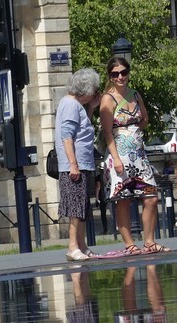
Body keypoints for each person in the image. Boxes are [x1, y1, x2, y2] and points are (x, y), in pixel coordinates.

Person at [100, 56, 168, 255]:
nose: (120, 77)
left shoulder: (135, 94)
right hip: (120, 155)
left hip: (139, 155)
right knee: (123, 199)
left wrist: (137, 126)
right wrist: (116, 159)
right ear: (110, 76)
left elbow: (145, 118)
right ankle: (130, 244)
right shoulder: (107, 98)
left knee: (150, 196)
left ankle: (149, 241)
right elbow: (107, 132)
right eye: (115, 74)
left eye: (123, 72)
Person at [54, 68, 102, 262]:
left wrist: (91, 108)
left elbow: (81, 130)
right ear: (85, 89)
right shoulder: (71, 105)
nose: (95, 93)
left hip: (82, 164)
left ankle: (81, 245)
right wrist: (73, 164)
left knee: (81, 208)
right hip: (74, 165)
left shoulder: (77, 106)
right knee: (75, 208)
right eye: (94, 90)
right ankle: (73, 246)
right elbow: (67, 135)